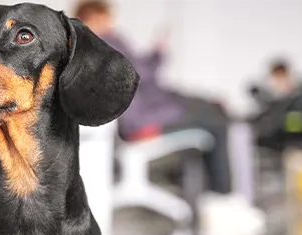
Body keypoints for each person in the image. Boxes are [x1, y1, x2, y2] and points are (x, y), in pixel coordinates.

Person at [74, 0, 233, 195]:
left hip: (138, 116)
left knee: (209, 110)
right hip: (143, 121)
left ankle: (215, 195)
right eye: (107, 17)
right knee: (217, 120)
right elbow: (142, 73)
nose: (111, 23)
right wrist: (159, 52)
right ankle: (223, 197)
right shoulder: (108, 41)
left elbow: (137, 72)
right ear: (95, 18)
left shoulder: (84, 49)